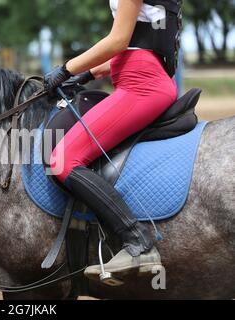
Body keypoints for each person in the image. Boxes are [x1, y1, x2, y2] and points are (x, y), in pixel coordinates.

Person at [44, 0, 182, 281]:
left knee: (63, 160)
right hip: (137, 76)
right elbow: (137, 44)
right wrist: (89, 73)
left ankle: (137, 242)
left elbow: (118, 41)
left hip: (141, 85)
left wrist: (66, 68)